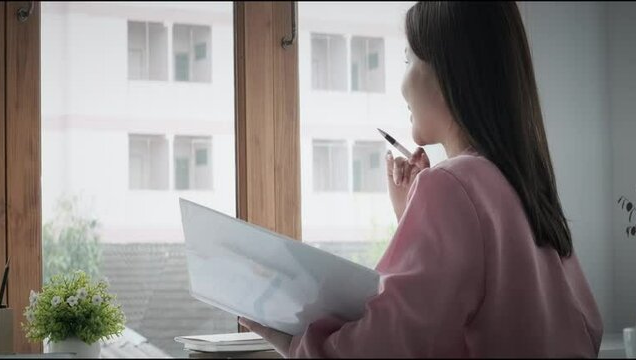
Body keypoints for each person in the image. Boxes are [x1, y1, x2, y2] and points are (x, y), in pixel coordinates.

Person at [240, 1, 603, 357]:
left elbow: (387, 343)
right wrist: (412, 219)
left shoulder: (451, 186)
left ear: (450, 71)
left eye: (408, 60)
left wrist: (299, 345)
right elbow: (584, 329)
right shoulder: (525, 184)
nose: (401, 85)